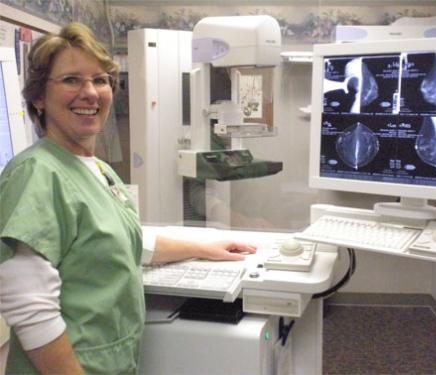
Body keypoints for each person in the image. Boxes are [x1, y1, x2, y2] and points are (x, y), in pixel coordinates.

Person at [0, 22, 256, 374]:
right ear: (39, 97)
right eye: (72, 80)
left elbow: (126, 240)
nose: (90, 93)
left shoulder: (98, 169)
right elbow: (30, 310)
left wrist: (203, 247)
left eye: (100, 80)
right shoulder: (35, 174)